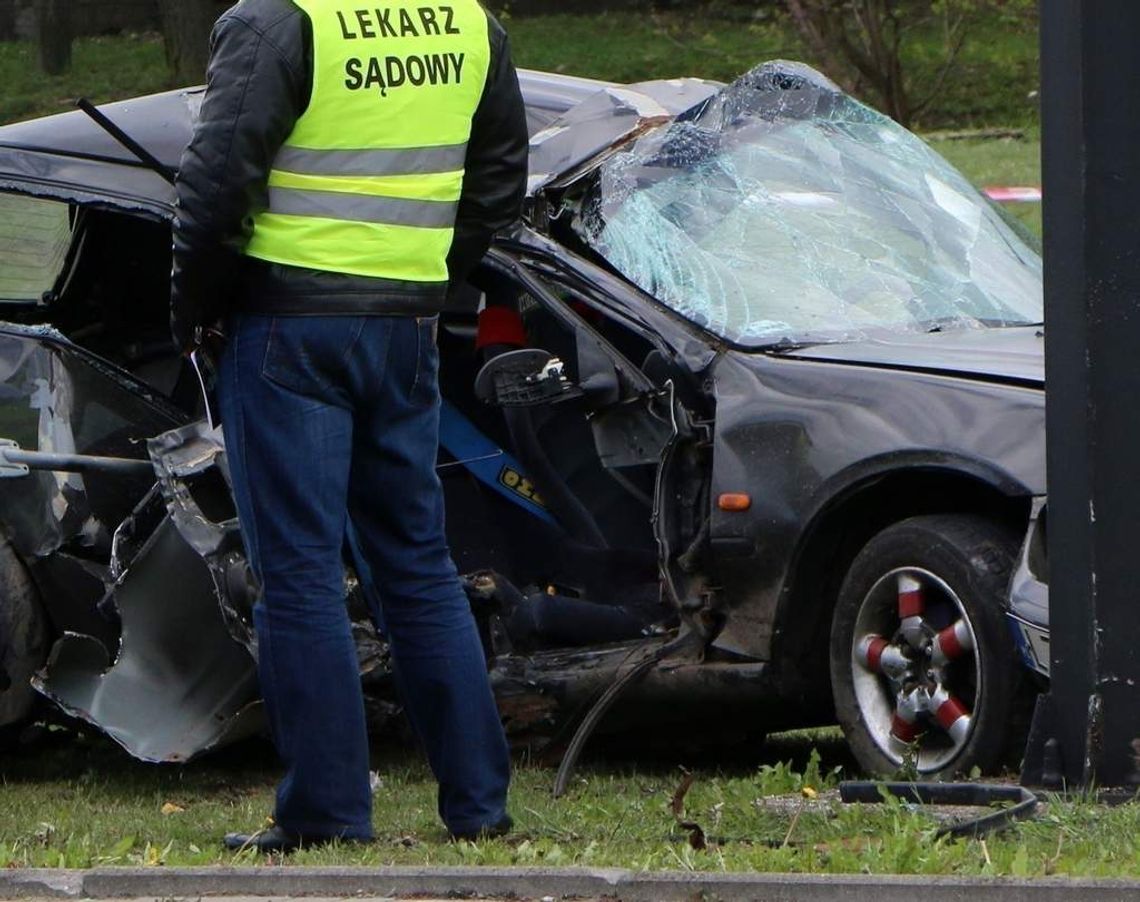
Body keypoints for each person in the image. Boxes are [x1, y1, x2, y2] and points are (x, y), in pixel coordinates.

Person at [170, 0, 529, 852]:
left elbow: (217, 181)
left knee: (296, 576)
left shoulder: (280, 20)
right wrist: (427, 275)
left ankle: (327, 813)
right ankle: (479, 806)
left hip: (286, 324)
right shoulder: (467, 24)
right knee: (417, 566)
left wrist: (192, 311)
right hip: (402, 323)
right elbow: (500, 181)